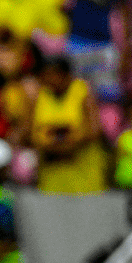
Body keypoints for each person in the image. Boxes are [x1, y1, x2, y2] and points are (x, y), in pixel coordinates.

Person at [29, 57, 106, 193]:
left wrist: (70, 143)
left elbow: (95, 130)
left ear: (66, 75)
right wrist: (52, 146)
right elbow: (32, 134)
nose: (49, 80)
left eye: (53, 75)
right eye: (45, 76)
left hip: (83, 172)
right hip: (52, 174)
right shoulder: (39, 95)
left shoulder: (82, 91)